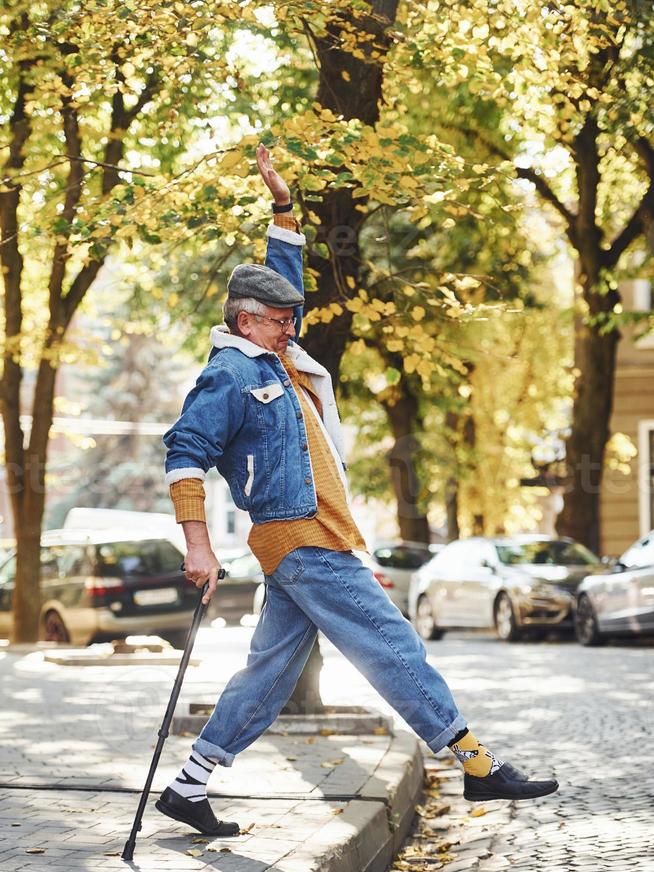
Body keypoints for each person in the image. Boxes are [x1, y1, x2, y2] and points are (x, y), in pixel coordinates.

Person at [156, 144, 558, 837]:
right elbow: (184, 451)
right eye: (281, 320)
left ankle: (188, 786)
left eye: (290, 318)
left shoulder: (279, 359)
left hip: (315, 539)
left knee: (269, 673)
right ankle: (477, 764)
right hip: (301, 538)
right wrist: (197, 543)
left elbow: (283, 277)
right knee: (391, 643)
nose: (292, 326)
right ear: (245, 320)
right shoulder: (227, 376)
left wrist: (283, 208)